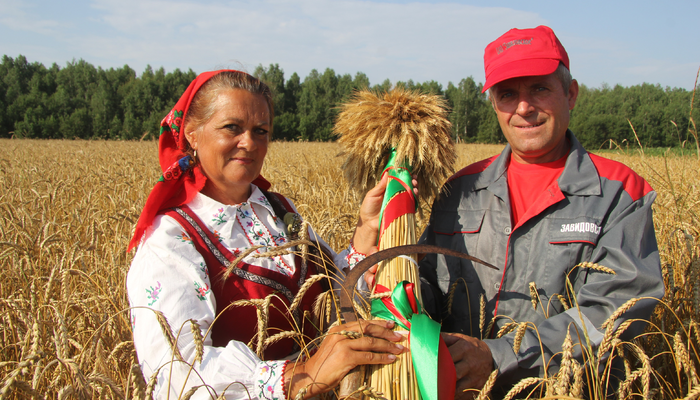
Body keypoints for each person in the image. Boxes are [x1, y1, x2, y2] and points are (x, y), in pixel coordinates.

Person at [126, 70, 407, 400]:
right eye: (232, 127)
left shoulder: (277, 209)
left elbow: (331, 293)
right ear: (192, 134)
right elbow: (176, 375)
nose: (249, 142)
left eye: (260, 131)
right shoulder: (171, 240)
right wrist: (301, 375)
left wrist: (366, 230)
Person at [416, 26, 664, 398]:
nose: (523, 107)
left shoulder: (619, 192)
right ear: (495, 104)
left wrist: (498, 356)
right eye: (507, 94)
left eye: (539, 89)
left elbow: (616, 313)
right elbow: (427, 282)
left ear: (571, 93)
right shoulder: (461, 190)